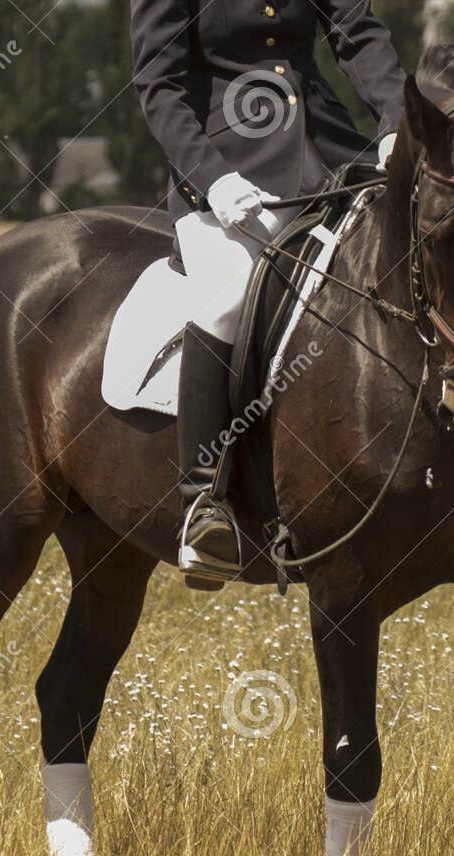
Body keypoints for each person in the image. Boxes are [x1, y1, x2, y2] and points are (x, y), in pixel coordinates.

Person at [131, 0, 407, 580]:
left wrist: (396, 123)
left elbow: (356, 34)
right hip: (232, 171)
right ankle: (204, 505)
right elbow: (159, 85)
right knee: (230, 291)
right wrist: (212, 178)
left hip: (331, 154)